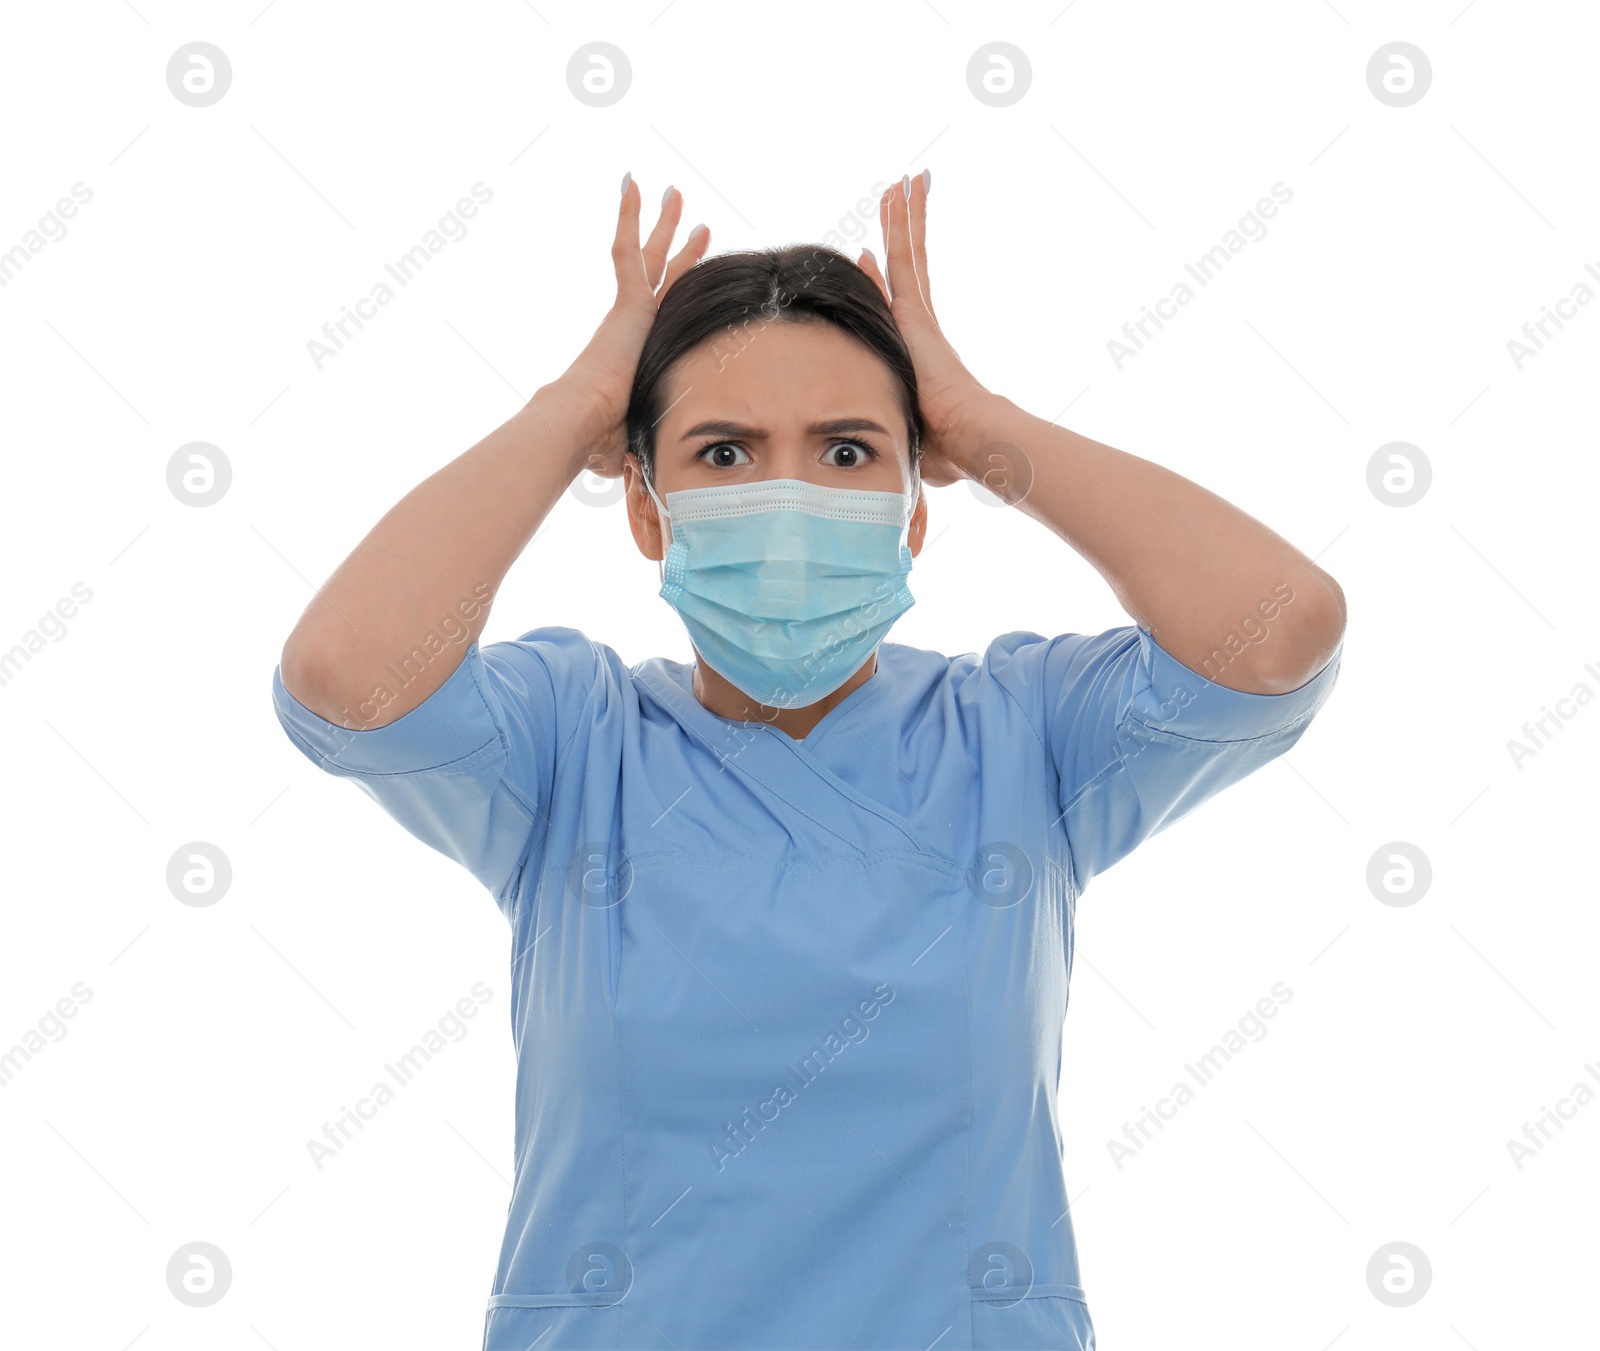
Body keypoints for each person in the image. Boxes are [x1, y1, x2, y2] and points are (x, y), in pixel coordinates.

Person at [271, 168, 1346, 1351]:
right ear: (645, 510)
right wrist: (574, 406)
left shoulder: (1019, 737)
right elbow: (347, 674)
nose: (786, 495)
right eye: (723, 455)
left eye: (845, 454)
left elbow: (1277, 627)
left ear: (913, 505)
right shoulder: (571, 746)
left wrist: (989, 428)